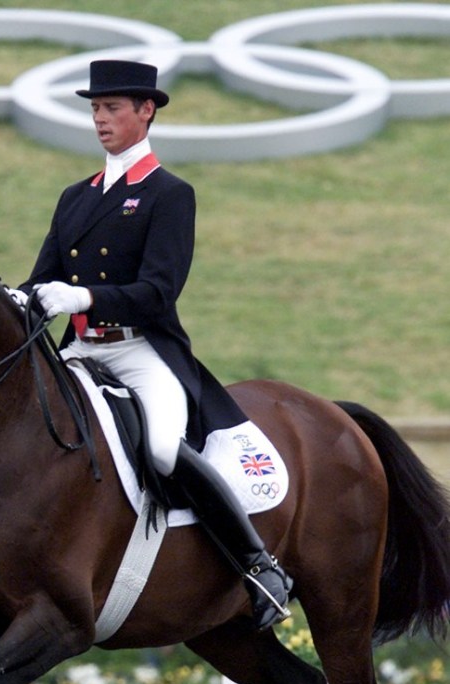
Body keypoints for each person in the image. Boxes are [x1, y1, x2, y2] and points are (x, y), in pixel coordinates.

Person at [15, 59, 291, 630]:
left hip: (141, 349)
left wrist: (83, 298)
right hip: (82, 351)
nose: (100, 119)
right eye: (94, 108)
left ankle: (258, 564)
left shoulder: (169, 194)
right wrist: (12, 302)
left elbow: (158, 291)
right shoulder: (75, 197)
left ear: (146, 111)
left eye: (112, 107)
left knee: (164, 448)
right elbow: (40, 278)